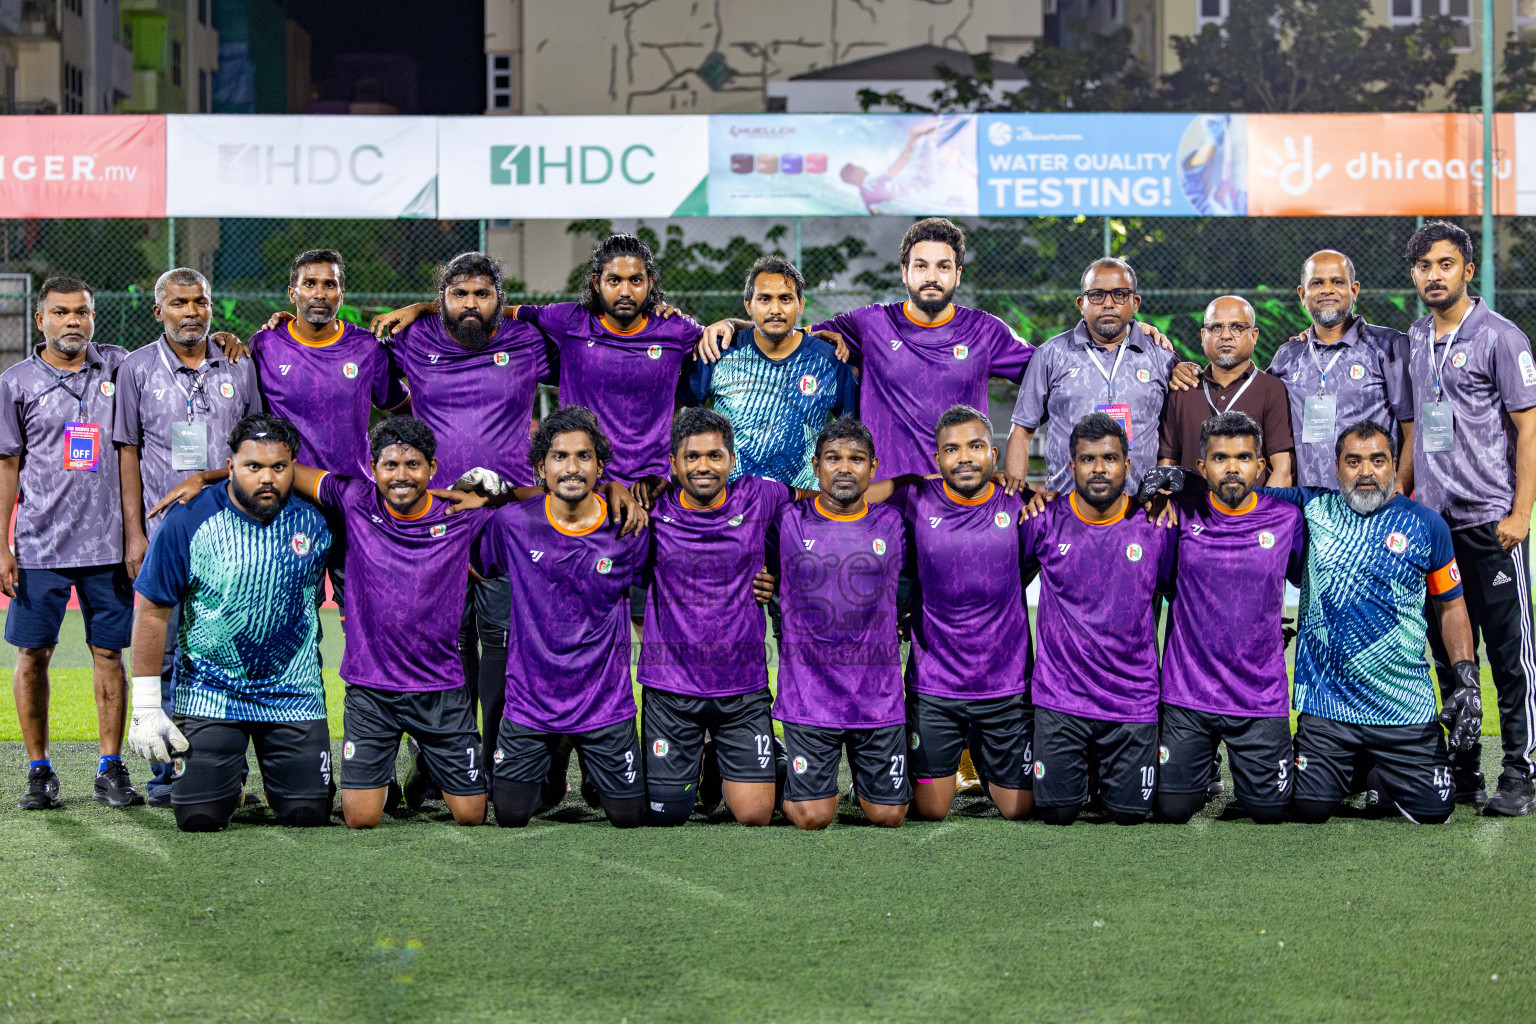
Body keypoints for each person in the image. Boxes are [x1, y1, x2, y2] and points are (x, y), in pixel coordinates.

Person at [148, 417, 493, 830]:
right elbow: (275, 467)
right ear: (373, 467)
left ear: (432, 468)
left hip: (376, 689)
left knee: (462, 816)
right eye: (390, 465)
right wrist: (207, 477)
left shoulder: (452, 518)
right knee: (211, 820)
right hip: (313, 692)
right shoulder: (350, 499)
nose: (401, 476)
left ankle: (423, 768)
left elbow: (529, 515)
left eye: (413, 465)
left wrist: (497, 495)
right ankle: (226, 783)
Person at [364, 252, 558, 782]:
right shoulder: (412, 339)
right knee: (442, 645)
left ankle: (497, 760)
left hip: (507, 516)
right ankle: (438, 765)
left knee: (501, 646)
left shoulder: (528, 342)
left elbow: (594, 347)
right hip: (433, 522)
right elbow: (372, 382)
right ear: (442, 298)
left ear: (501, 299)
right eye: (458, 294)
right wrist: (419, 309)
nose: (470, 304)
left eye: (482, 294)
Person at [125, 414, 333, 832]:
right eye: (253, 467)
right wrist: (146, 704)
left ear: (295, 466)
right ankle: (224, 782)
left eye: (279, 467)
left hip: (294, 693)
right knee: (199, 818)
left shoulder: (318, 519)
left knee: (306, 816)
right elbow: (151, 610)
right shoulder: (187, 519)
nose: (267, 478)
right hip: (211, 693)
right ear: (231, 465)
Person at [702, 218, 1031, 480]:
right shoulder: (870, 323)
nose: (932, 276)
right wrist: (733, 325)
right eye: (921, 266)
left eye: (943, 267)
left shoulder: (986, 330)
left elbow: (1047, 376)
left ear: (958, 275)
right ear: (905, 272)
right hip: (880, 497)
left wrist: (1015, 464)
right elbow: (787, 331)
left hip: (959, 496)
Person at [1266, 420, 1480, 825]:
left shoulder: (1426, 524)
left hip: (1404, 708)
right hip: (1328, 709)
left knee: (1435, 812)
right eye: (1354, 461)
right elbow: (1241, 493)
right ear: (1335, 467)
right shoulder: (1310, 508)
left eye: (1377, 460)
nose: (1366, 472)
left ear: (1394, 465)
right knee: (1309, 809)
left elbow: (1451, 607)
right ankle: (1357, 770)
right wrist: (1184, 485)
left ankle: (1379, 772)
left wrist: (1466, 675)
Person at [1402, 220, 1536, 816]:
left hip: (1491, 522)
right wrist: (1403, 505)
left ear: (1467, 270)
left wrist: (1521, 513)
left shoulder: (1501, 337)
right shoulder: (1412, 339)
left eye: (1446, 264)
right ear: (1414, 274)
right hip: (1433, 529)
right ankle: (1463, 773)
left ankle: (1521, 772)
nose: (1435, 275)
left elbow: (1529, 429)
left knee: (1510, 656)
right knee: (1449, 655)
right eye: (1425, 266)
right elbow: (1410, 432)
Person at [114, 267, 261, 807]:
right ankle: (166, 777)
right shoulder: (135, 369)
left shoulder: (239, 363)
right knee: (169, 657)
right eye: (179, 303)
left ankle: (229, 778)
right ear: (159, 311)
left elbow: (254, 449)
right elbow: (126, 451)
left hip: (232, 537)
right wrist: (135, 535)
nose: (192, 311)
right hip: (163, 538)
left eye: (200, 302)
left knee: (226, 654)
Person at [1, 277, 140, 810]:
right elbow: (6, 467)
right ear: (41, 321)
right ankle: (39, 769)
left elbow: (174, 353)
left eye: (81, 312)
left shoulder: (118, 367)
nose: (72, 322)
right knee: (33, 655)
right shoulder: (15, 383)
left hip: (109, 547)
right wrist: (1, 544)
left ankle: (109, 766)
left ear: (93, 317)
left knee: (109, 655)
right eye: (60, 313)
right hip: (39, 547)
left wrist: (224, 341)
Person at [477, 407, 649, 829]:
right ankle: (554, 764)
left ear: (600, 466)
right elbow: (474, 566)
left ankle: (582, 753)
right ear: (541, 467)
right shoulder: (511, 525)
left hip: (604, 704)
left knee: (629, 818)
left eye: (584, 456)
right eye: (559, 457)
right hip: (531, 704)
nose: (572, 468)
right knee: (510, 815)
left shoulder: (628, 529)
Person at [1020, 413, 1175, 826]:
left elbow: (1177, 591)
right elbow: (1007, 584)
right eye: (1088, 460)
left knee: (1129, 815)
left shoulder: (1158, 524)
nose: (1099, 469)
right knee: (1055, 813)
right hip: (1060, 699)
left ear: (1128, 463)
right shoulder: (1043, 521)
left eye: (1109, 458)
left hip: (1131, 699)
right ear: (1071, 467)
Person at [637, 408, 787, 826]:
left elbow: (816, 508)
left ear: (732, 460)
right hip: (672, 690)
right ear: (672, 463)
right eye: (692, 456)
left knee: (755, 816)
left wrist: (776, 574)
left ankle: (756, 757)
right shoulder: (650, 508)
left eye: (715, 455)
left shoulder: (759, 495)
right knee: (666, 816)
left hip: (741, 688)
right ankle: (698, 758)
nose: (704, 466)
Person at [1155, 412, 1305, 824]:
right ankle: (1201, 769)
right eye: (1220, 458)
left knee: (1271, 812)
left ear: (1261, 465)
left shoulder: (1286, 519)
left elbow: (1301, 574)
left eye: (1243, 457)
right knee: (1171, 810)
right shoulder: (1178, 516)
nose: (1233, 467)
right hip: (1188, 695)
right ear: (1202, 467)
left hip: (1258, 695)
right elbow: (1164, 585)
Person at [249, 249, 410, 620]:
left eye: (329, 284)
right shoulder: (265, 345)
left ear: (342, 294)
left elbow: (400, 406)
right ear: (293, 293)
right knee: (289, 620)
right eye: (310, 284)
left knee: (361, 616)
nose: (319, 293)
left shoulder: (366, 347)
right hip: (288, 502)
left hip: (353, 500)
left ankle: (361, 682)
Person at [892, 404, 1035, 822]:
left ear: (994, 454)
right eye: (952, 450)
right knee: (931, 810)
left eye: (975, 446)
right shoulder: (915, 500)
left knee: (1018, 808)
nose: (965, 457)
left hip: (1004, 686)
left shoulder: (1021, 504)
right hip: (935, 687)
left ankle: (986, 758)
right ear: (937, 462)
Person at [774, 417, 909, 830]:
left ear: (873, 467)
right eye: (833, 458)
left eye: (856, 459)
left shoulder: (896, 522)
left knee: (888, 816)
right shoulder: (785, 522)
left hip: (877, 695)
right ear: (816, 467)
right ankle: (780, 767)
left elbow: (920, 578)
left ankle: (863, 785)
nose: (844, 468)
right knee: (813, 818)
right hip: (809, 694)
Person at [1005, 257, 1199, 495]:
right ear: (1081, 303)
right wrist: (1016, 498)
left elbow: (1180, 432)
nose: (1108, 303)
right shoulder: (1050, 355)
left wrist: (1192, 368)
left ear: (1135, 303)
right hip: (1067, 508)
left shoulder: (1162, 357)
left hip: (1141, 509)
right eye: (1097, 295)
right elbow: (1022, 432)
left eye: (1119, 294)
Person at [684, 255, 858, 488]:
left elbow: (855, 429)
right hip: (731, 501)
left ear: (800, 304)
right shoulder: (719, 352)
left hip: (802, 502)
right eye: (764, 299)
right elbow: (674, 412)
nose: (775, 309)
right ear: (749, 305)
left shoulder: (828, 359)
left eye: (785, 298)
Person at [1268, 250, 1414, 489]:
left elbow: (1413, 427)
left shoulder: (1387, 347)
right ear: (1303, 295)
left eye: (1337, 282)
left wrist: (1399, 489)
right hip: (1309, 506)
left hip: (1372, 503)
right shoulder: (1288, 356)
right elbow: (1254, 398)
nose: (1327, 289)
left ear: (1353, 290)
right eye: (1317, 283)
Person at [1157, 295, 1294, 486]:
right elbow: (1167, 462)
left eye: (1237, 327)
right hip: (1193, 512)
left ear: (1254, 336)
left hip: (1252, 510)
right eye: (1216, 327)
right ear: (1203, 336)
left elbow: (1283, 469)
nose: (1226, 335)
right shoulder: (1183, 389)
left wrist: (1259, 514)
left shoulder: (1272, 388)